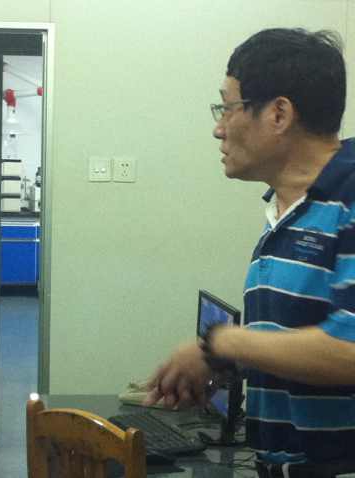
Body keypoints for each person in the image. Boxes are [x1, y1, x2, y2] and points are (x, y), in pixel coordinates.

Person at [144, 28, 355, 477]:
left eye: (228, 107)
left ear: (279, 114)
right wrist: (225, 364)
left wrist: (221, 342)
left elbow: (349, 349)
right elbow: (296, 340)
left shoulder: (349, 199)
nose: (218, 127)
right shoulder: (287, 210)